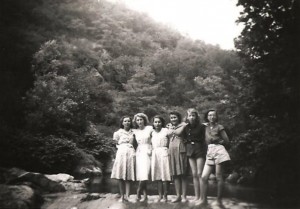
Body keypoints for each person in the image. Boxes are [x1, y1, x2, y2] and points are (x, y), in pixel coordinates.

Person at [196, 109, 230, 207]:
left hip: (219, 150)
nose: (212, 117)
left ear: (216, 117)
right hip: (209, 151)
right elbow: (192, 123)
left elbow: (226, 141)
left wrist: (217, 141)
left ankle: (219, 200)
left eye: (214, 115)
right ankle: (204, 200)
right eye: (210, 115)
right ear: (207, 117)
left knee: (219, 176)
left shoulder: (220, 127)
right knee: (204, 177)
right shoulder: (204, 127)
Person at [111, 116, 136, 202]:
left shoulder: (133, 132)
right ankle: (122, 196)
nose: (127, 122)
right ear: (122, 123)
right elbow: (114, 145)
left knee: (128, 176)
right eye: (125, 121)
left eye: (128, 121)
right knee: (120, 176)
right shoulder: (117, 133)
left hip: (130, 153)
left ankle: (128, 195)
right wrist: (114, 156)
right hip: (121, 153)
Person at [184, 108, 207, 202]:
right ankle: (196, 196)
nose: (192, 117)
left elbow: (204, 139)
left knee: (199, 173)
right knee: (194, 174)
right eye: (190, 115)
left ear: (196, 117)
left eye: (193, 115)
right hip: (190, 149)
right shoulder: (186, 127)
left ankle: (202, 197)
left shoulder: (202, 126)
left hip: (199, 149)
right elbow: (179, 134)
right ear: (187, 117)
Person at [167, 111, 188, 203]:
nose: (173, 119)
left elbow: (178, 132)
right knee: (175, 174)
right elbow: (168, 135)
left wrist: (171, 129)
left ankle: (184, 196)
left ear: (178, 118)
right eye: (171, 118)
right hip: (172, 150)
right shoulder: (169, 126)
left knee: (182, 174)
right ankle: (178, 196)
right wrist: (170, 129)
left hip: (181, 149)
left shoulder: (183, 125)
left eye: (175, 117)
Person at [151, 115, 171, 202]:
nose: (157, 124)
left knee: (165, 175)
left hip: (164, 152)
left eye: (159, 122)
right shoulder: (152, 132)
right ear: (153, 123)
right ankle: (160, 195)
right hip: (155, 153)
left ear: (162, 123)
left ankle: (165, 196)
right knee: (158, 176)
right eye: (155, 122)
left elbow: (171, 141)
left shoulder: (166, 130)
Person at [132, 113, 153, 202]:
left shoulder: (150, 128)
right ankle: (145, 195)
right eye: (138, 120)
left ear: (144, 120)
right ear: (136, 122)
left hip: (148, 151)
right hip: (139, 152)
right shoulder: (134, 131)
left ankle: (138, 191)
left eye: (141, 119)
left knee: (145, 173)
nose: (140, 121)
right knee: (141, 175)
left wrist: (152, 149)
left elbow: (154, 138)